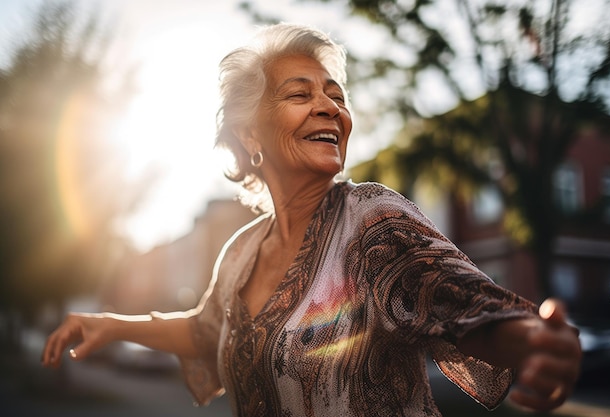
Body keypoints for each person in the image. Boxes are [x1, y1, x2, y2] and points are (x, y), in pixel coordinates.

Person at [42, 23, 582, 416]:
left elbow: (465, 308)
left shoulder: (372, 219)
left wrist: (534, 341)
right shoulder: (239, 253)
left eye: (336, 96)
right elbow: (207, 330)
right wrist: (111, 324)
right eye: (300, 94)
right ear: (250, 136)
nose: (330, 108)